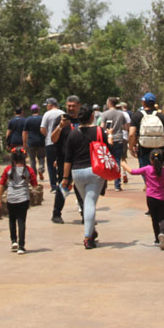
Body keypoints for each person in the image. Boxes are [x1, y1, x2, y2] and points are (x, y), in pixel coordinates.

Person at [61, 104, 105, 249]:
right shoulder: (99, 131)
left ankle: (91, 232)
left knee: (87, 201)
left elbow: (68, 158)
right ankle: (88, 238)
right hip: (95, 171)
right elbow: (107, 150)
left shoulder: (73, 134)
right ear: (92, 116)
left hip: (77, 172)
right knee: (90, 202)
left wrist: (66, 178)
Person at [122, 149, 164, 249]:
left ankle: (157, 239)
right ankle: (162, 233)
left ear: (151, 160)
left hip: (150, 198)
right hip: (162, 198)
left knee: (154, 219)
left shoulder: (147, 169)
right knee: (163, 218)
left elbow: (132, 172)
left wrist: (123, 164)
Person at [0, 147, 37, 254]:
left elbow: (1, 184)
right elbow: (34, 184)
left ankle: (13, 241)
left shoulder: (8, 170)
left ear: (13, 159)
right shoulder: (28, 170)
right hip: (23, 198)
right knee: (21, 221)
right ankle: (21, 246)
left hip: (11, 198)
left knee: (12, 219)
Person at [49, 95, 81, 223]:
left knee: (80, 187)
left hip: (80, 158)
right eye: (69, 106)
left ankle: (86, 214)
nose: (71, 108)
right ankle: (56, 214)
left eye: (73, 106)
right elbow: (53, 138)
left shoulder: (82, 119)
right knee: (63, 185)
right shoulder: (60, 120)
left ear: (78, 106)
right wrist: (60, 126)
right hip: (64, 159)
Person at [129, 92, 164, 168]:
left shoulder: (137, 116)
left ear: (143, 102)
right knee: (158, 172)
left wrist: (131, 147)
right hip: (159, 149)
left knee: (145, 172)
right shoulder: (161, 116)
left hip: (143, 149)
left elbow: (131, 134)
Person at [99, 97, 130, 191]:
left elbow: (102, 127)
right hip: (119, 139)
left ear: (109, 103)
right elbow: (125, 127)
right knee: (117, 161)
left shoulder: (104, 114)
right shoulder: (121, 114)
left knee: (105, 161)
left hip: (108, 139)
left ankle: (104, 184)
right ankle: (117, 185)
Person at [40, 98, 65, 193]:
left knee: (51, 164)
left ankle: (54, 186)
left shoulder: (47, 114)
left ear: (50, 105)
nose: (46, 107)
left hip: (50, 143)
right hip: (61, 143)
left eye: (46, 105)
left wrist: (49, 136)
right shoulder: (62, 113)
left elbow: (42, 129)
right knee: (61, 163)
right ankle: (62, 183)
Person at [23, 104, 46, 180]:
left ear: (31, 111)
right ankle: (41, 169)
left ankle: (33, 176)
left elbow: (25, 133)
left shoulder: (28, 120)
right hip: (41, 142)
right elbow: (45, 129)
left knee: (32, 160)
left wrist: (24, 144)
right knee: (41, 157)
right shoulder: (42, 118)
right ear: (38, 110)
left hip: (31, 143)